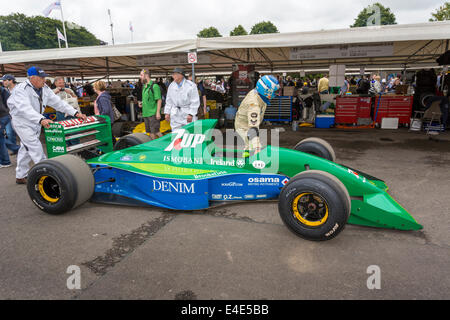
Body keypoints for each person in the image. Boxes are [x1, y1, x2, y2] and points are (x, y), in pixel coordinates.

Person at [7, 66, 87, 184]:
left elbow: (58, 103)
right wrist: (41, 119)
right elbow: (24, 108)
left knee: (26, 148)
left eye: (44, 77)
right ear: (32, 77)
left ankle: (20, 175)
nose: (44, 80)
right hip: (22, 122)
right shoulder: (21, 89)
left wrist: (75, 112)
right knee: (35, 147)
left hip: (35, 121)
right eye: (41, 77)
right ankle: (46, 174)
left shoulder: (44, 88)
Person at [235, 75, 280, 156]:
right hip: (243, 127)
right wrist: (257, 147)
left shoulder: (258, 93)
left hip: (248, 122)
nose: (276, 94)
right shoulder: (254, 105)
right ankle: (247, 163)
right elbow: (253, 128)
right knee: (254, 147)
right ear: (267, 91)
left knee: (250, 146)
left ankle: (246, 157)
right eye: (275, 91)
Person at [139, 69, 163, 140]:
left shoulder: (154, 86)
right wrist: (142, 103)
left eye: (141, 75)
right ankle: (162, 145)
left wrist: (158, 112)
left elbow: (159, 100)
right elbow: (148, 99)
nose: (140, 77)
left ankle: (164, 145)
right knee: (150, 132)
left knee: (155, 132)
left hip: (153, 113)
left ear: (146, 75)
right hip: (146, 113)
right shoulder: (144, 87)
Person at [0, 74, 20, 155]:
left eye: (5, 80)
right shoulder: (5, 90)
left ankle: (21, 149)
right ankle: (16, 149)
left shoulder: (19, 89)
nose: (3, 82)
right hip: (8, 115)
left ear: (11, 80)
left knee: (16, 133)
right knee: (9, 133)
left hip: (17, 115)